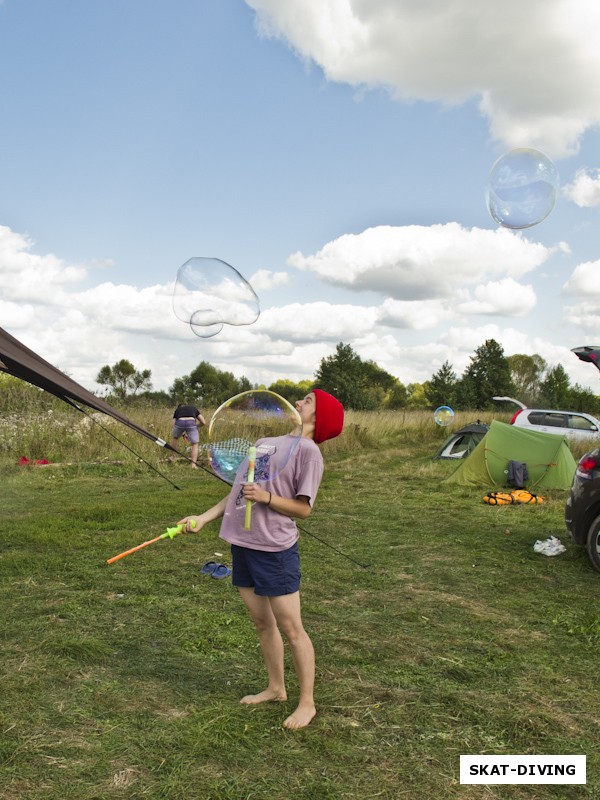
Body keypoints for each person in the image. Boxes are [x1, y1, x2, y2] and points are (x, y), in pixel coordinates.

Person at [178, 389, 344, 729]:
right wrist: (203, 518)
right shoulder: (267, 441)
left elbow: (304, 509)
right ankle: (275, 688)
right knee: (262, 623)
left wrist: (267, 497)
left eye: (308, 401)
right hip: (243, 543)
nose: (299, 401)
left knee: (291, 628)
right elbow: (238, 489)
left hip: (274, 550)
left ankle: (307, 703)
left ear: (319, 417)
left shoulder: (309, 453)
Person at [170, 403, 206, 468]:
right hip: (191, 422)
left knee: (175, 438)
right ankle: (193, 464)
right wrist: (196, 426)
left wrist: (181, 433)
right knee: (195, 444)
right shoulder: (193, 408)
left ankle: (173, 457)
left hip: (180, 422)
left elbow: (174, 424)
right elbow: (203, 422)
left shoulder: (178, 410)